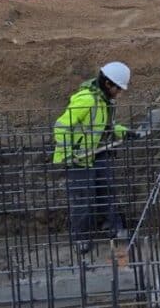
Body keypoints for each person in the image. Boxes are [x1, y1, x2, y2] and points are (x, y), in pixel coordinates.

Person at [52, 61, 135, 253]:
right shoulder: (87, 99)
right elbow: (61, 126)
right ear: (108, 84)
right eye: (118, 89)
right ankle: (81, 238)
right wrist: (68, 153)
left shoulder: (104, 101)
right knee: (82, 199)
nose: (119, 93)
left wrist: (125, 132)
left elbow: (106, 127)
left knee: (106, 190)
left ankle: (115, 229)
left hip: (98, 153)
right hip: (79, 159)